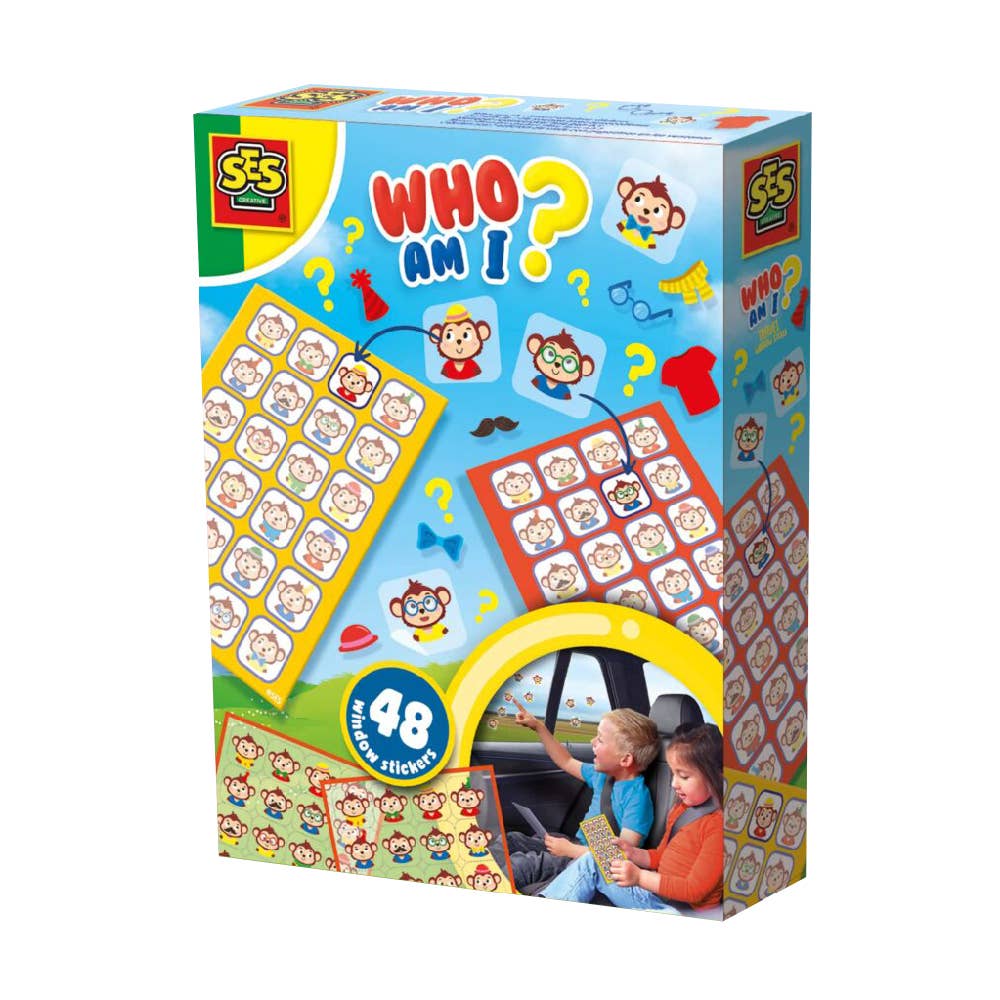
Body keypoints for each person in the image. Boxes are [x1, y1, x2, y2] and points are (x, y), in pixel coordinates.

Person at [542, 723, 724, 913]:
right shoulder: (681, 809)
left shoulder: (719, 828)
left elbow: (694, 891)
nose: (673, 784)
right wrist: (632, 853)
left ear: (717, 777)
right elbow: (661, 856)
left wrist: (640, 877)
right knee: (595, 859)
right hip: (657, 895)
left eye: (684, 776)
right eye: (673, 774)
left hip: (685, 910)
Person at [506, 700, 660, 891]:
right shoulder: (602, 776)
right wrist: (539, 727)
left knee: (521, 866)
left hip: (588, 864)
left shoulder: (637, 799)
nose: (592, 742)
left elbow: (619, 858)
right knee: (512, 840)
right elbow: (565, 760)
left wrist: (570, 850)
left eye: (600, 740)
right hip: (577, 844)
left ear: (625, 759)